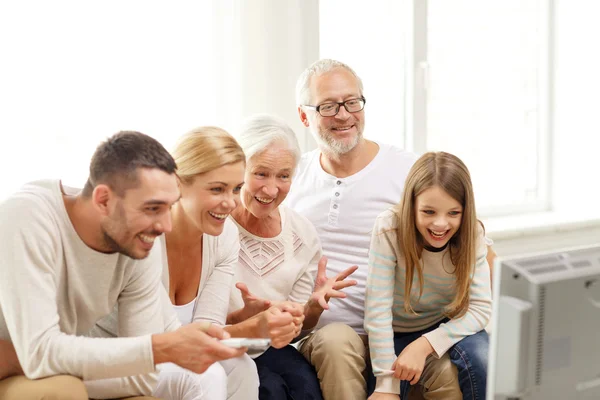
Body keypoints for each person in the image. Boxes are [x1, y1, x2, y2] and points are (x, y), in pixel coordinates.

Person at [0, 131, 246, 400]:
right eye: (152, 208)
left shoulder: (137, 243)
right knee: (63, 391)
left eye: (168, 207)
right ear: (103, 200)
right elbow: (40, 353)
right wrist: (156, 349)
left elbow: (142, 375)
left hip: (45, 364)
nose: (165, 226)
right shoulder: (28, 217)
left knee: (178, 385)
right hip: (19, 372)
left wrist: (149, 353)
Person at [286, 59, 464, 400]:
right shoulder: (293, 176)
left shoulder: (408, 169)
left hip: (403, 329)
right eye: (328, 106)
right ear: (304, 115)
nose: (344, 114)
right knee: (337, 343)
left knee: (444, 370)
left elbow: (471, 240)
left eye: (352, 101)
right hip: (327, 332)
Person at [227, 114, 357, 400]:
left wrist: (311, 308)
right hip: (223, 343)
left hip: (270, 346)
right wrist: (241, 319)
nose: (271, 189)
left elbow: (294, 333)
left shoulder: (302, 234)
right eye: (260, 173)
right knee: (269, 389)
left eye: (283, 176)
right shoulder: (216, 224)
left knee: (305, 386)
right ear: (239, 168)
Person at [365, 151, 492, 400]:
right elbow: (377, 310)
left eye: (453, 213)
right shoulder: (389, 228)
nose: (440, 225)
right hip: (398, 330)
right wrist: (385, 384)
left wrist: (424, 345)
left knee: (484, 360)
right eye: (429, 212)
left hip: (450, 324)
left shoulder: (473, 232)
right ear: (411, 205)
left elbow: (480, 309)